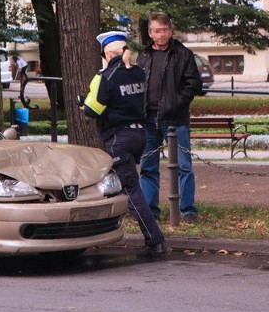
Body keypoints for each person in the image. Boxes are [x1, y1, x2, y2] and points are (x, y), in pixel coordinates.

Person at [82, 30, 166, 257]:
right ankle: (100, 229)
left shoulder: (105, 76)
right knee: (117, 184)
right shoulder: (139, 72)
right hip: (140, 136)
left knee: (131, 191)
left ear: (108, 53)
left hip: (119, 138)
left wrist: (84, 104)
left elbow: (92, 110)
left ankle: (154, 240)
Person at [137, 13, 203, 224]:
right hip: (148, 120)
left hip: (175, 120)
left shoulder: (183, 54)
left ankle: (187, 210)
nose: (161, 34)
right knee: (148, 167)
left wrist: (176, 102)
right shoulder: (144, 56)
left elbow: (194, 84)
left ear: (170, 31)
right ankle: (150, 211)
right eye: (157, 30)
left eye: (164, 30)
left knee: (184, 167)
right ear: (150, 33)